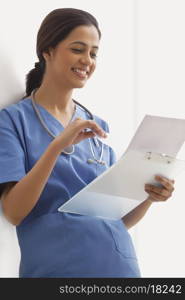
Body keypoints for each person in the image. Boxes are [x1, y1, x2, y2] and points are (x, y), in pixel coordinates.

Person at [0, 8, 175, 278]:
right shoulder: (13, 121)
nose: (87, 61)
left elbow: (116, 219)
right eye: (78, 49)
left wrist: (149, 197)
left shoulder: (97, 126)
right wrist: (56, 147)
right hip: (56, 272)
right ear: (47, 50)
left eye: (93, 53)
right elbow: (14, 212)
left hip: (119, 270)